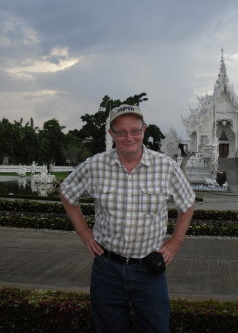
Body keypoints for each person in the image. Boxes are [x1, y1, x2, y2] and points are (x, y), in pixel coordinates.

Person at [60, 104, 195, 333]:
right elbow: (66, 193)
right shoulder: (95, 165)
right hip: (107, 268)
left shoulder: (165, 167)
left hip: (149, 269)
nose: (128, 137)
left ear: (144, 130)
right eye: (121, 132)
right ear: (111, 134)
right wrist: (85, 234)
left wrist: (174, 243)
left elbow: (188, 203)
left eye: (135, 130)